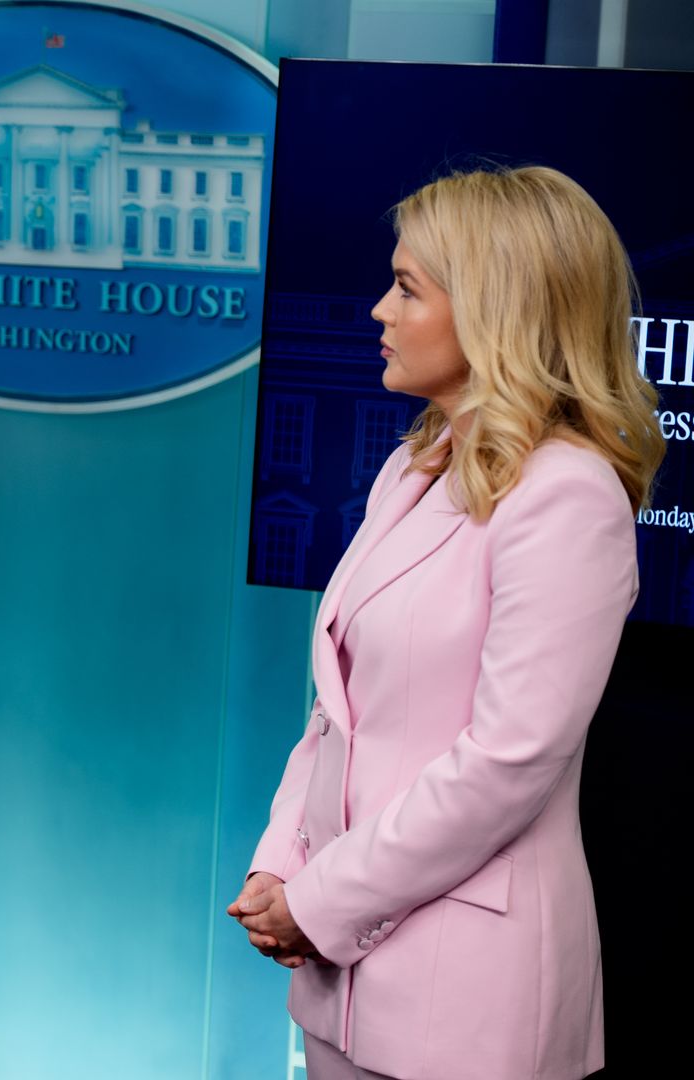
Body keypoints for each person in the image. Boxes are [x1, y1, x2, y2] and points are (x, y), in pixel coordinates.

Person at [228, 166, 663, 1080]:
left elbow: (509, 760)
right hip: (342, 991)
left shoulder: (569, 495)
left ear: (493, 311)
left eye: (407, 288)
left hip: (470, 1002)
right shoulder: (416, 465)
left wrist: (323, 898)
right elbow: (337, 710)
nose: (380, 311)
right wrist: (280, 865)